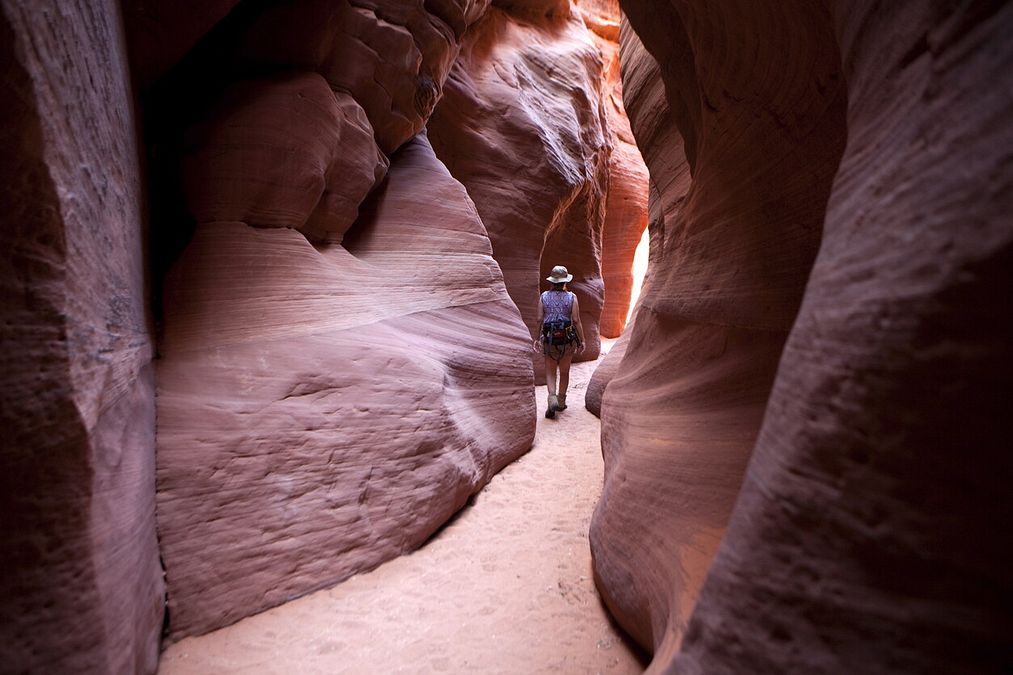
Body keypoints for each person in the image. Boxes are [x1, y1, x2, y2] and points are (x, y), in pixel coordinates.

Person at [532, 265, 586, 418]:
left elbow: (539, 319)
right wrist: (582, 340)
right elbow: (576, 320)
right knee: (564, 371)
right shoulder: (572, 297)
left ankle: (552, 398)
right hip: (567, 340)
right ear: (565, 282)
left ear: (551, 281)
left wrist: (536, 338)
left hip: (549, 340)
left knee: (550, 371)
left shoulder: (544, 297)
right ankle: (561, 401)